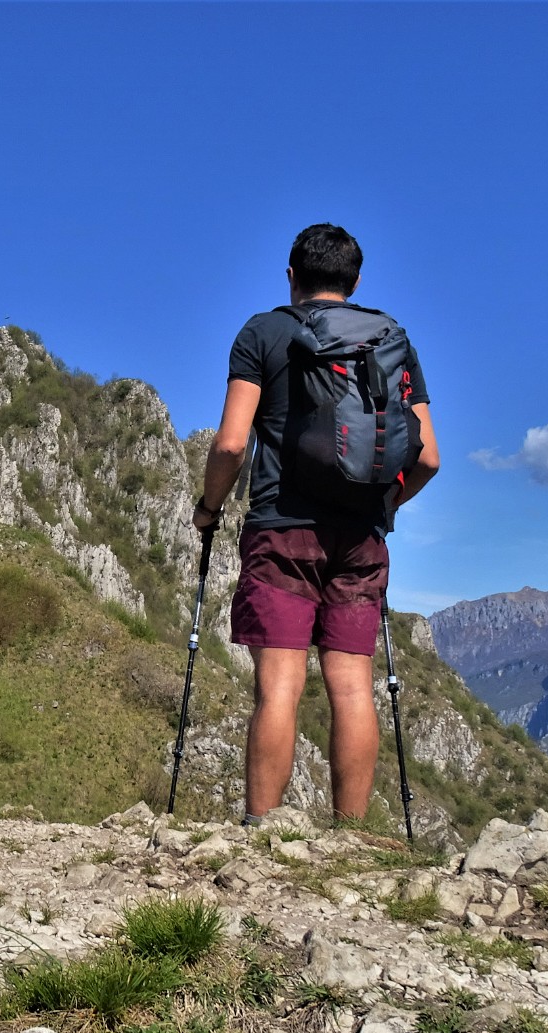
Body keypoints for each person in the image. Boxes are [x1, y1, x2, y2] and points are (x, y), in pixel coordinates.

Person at [191, 223, 440, 825]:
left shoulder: (264, 332)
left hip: (282, 527)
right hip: (361, 536)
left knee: (280, 686)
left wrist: (210, 509)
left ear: (291, 276)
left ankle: (263, 833)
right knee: (352, 686)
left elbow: (230, 444)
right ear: (355, 283)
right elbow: (428, 457)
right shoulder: (391, 341)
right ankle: (349, 837)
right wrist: (387, 508)